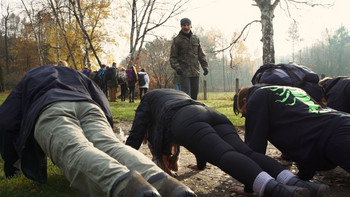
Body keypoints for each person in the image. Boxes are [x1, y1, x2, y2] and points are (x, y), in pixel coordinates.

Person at [0, 65, 196, 197]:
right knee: (110, 145)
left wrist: (12, 164)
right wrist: (106, 127)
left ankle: (130, 188)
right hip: (89, 105)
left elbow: (6, 120)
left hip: (50, 107)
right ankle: (170, 186)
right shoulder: (74, 74)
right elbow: (101, 97)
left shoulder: (31, 77)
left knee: (75, 148)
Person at [126, 89, 329, 197]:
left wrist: (122, 159)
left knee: (224, 155)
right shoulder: (175, 94)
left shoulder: (149, 98)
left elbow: (137, 132)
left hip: (185, 119)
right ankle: (299, 184)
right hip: (210, 112)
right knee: (245, 152)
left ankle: (276, 190)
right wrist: (201, 165)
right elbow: (199, 141)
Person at [236, 84, 350, 182]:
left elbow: (255, 148)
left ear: (245, 101)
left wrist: (251, 185)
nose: (248, 118)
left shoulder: (257, 97)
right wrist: (303, 177)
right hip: (341, 121)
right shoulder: (294, 90)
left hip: (334, 135)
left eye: (245, 114)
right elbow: (305, 133)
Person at [170, 17, 209, 100]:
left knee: (194, 95)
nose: (186, 27)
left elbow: (201, 54)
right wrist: (177, 68)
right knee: (186, 95)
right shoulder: (177, 40)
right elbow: (173, 57)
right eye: (184, 25)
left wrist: (205, 66)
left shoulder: (196, 39)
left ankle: (193, 112)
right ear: (181, 26)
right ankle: (185, 111)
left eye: (188, 25)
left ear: (191, 26)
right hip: (183, 72)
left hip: (195, 71)